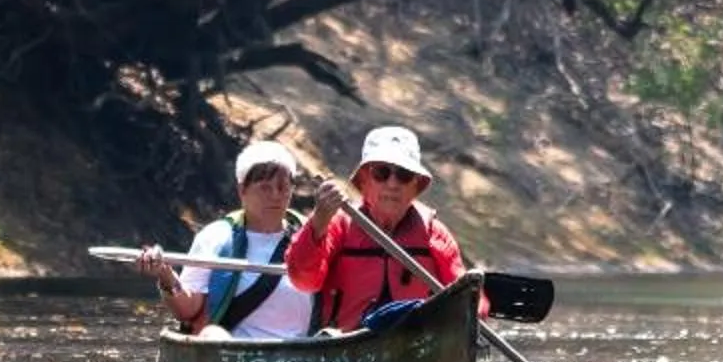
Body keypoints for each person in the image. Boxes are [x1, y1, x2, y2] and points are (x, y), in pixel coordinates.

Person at [283, 124, 474, 332]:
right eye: (381, 172)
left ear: (415, 186)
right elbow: (303, 281)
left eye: (404, 175)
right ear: (364, 180)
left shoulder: (434, 233)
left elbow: (467, 302)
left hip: (414, 346)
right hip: (347, 346)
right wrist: (319, 221)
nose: (393, 184)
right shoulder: (338, 226)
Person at [139, 138, 317, 340]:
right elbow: (187, 310)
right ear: (242, 191)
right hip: (232, 355)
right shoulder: (216, 237)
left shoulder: (311, 236)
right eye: (265, 188)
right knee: (212, 335)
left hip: (299, 358)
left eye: (283, 187)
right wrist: (165, 274)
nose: (276, 196)